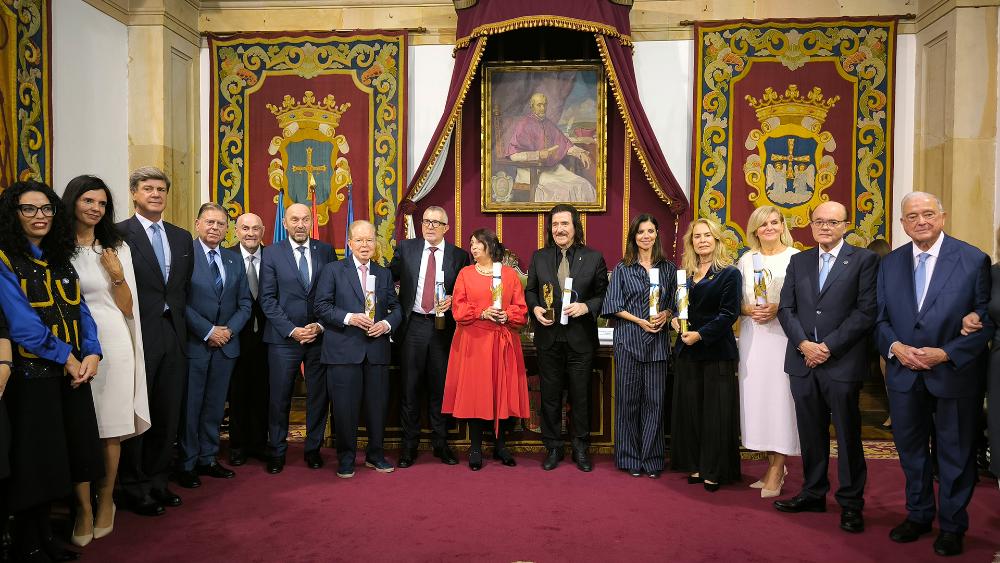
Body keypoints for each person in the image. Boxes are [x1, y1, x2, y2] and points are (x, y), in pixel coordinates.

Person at [875, 192, 993, 556]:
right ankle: (919, 514)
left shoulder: (974, 260)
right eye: (912, 216)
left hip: (954, 375)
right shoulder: (889, 264)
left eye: (928, 214)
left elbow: (987, 321)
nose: (920, 221)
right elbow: (879, 320)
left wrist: (947, 353)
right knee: (911, 452)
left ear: (943, 216)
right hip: (904, 375)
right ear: (902, 224)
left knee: (955, 454)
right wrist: (895, 348)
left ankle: (953, 525)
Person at [0, 181, 103, 562]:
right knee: (34, 462)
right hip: (32, 377)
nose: (40, 216)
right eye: (29, 209)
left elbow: (82, 310)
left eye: (46, 209)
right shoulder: (5, 259)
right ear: (14, 214)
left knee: (62, 457)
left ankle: (45, 536)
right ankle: (28, 543)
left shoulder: (59, 258)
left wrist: (92, 352)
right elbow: (22, 325)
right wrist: (68, 357)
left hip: (72, 375)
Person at [773, 201, 877, 533]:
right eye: (819, 222)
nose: (825, 227)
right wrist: (804, 344)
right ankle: (813, 493)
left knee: (847, 435)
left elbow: (865, 312)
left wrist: (828, 347)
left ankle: (850, 503)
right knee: (810, 433)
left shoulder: (864, 260)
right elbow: (785, 308)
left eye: (832, 222)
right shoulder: (799, 260)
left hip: (842, 362)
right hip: (802, 361)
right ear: (811, 225)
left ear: (846, 225)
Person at [63, 175, 150, 545]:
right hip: (70, 342)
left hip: (114, 341)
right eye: (88, 201)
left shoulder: (116, 247)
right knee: (78, 426)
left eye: (101, 203)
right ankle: (82, 507)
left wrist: (116, 276)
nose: (95, 208)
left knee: (110, 428)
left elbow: (129, 308)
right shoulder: (56, 247)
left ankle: (106, 501)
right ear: (73, 203)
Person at [116, 166, 194, 516]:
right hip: (137, 333)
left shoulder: (180, 237)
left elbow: (182, 289)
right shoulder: (118, 235)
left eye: (161, 189)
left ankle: (159, 482)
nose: (156, 194)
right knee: (138, 413)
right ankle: (133, 486)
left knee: (167, 410)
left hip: (174, 333)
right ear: (134, 193)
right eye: (148, 188)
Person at [525, 203, 608, 472]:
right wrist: (535, 307)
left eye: (565, 224)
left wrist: (586, 307)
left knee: (580, 395)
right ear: (550, 228)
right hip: (549, 338)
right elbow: (531, 291)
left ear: (575, 227)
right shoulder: (539, 257)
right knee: (549, 396)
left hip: (580, 339)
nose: (559, 229)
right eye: (555, 224)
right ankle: (553, 447)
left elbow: (602, 295)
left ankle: (581, 448)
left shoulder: (594, 258)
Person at [314, 220, 401, 478]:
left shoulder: (384, 274)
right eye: (360, 240)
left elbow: (397, 309)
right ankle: (346, 457)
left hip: (376, 351)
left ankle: (375, 455)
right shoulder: (332, 270)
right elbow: (321, 306)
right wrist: (350, 318)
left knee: (377, 407)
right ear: (349, 243)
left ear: (376, 243)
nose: (365, 245)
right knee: (344, 408)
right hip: (343, 351)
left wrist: (386, 324)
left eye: (370, 240)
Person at [174, 203, 251, 489]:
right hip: (196, 345)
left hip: (226, 346)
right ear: (197, 224)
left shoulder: (233, 260)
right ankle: (187, 463)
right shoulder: (185, 257)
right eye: (209, 222)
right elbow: (179, 300)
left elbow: (245, 303)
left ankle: (208, 457)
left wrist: (228, 330)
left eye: (220, 223)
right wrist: (208, 331)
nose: (215, 228)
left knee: (215, 407)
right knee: (191, 407)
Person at [389, 206, 470, 467]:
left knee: (440, 389)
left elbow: (464, 292)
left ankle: (440, 443)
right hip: (412, 326)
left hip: (442, 329)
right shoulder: (406, 249)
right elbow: (387, 280)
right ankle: (409, 446)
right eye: (426, 221)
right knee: (409, 388)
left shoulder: (459, 256)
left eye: (437, 222)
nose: (430, 226)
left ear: (447, 227)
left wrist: (452, 299)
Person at [442, 229, 530, 470]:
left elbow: (521, 310)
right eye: (471, 244)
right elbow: (458, 309)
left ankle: (501, 446)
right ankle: (476, 448)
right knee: (476, 395)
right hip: (474, 341)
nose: (473, 247)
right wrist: (481, 312)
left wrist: (506, 313)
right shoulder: (465, 274)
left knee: (501, 393)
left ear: (491, 246)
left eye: (478, 243)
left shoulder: (510, 275)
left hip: (503, 342)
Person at [258, 203, 336, 474]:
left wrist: (319, 325)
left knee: (318, 396)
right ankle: (277, 450)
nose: (301, 224)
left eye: (305, 219)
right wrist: (292, 329)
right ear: (285, 223)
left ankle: (312, 449)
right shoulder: (271, 253)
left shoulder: (325, 251)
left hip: (319, 337)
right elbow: (267, 299)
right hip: (283, 339)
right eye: (295, 220)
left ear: (311, 221)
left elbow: (333, 294)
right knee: (279, 398)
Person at [669, 217, 741, 492]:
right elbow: (681, 309)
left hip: (715, 351)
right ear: (691, 242)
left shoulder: (729, 273)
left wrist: (700, 335)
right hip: (687, 353)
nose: (702, 240)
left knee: (715, 414)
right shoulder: (685, 275)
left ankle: (715, 470)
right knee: (692, 413)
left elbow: (728, 314)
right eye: (697, 236)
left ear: (717, 240)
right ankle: (697, 465)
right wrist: (675, 320)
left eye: (707, 236)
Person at [601, 214, 676, 478]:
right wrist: (640, 322)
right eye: (641, 232)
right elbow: (612, 306)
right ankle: (630, 457)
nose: (646, 236)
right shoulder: (623, 268)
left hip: (657, 344)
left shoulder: (668, 268)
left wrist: (666, 314)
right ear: (634, 237)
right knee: (628, 402)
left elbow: (676, 305)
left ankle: (653, 459)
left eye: (651, 231)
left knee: (655, 403)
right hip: (629, 341)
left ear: (657, 234)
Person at [736, 205, 800, 498]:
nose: (770, 228)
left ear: (782, 225)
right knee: (758, 401)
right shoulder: (746, 261)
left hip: (782, 338)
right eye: (764, 224)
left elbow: (805, 302)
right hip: (753, 337)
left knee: (781, 402)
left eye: (775, 222)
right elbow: (735, 302)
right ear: (755, 230)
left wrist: (778, 309)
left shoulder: (796, 258)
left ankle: (778, 467)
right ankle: (773, 464)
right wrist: (747, 309)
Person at [225, 212, 269, 467]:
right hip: (235, 335)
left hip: (267, 337)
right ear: (237, 231)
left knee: (264, 392)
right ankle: (238, 445)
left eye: (255, 228)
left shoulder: (274, 257)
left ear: (263, 231)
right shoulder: (227, 257)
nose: (250, 233)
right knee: (238, 391)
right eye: (245, 228)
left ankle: (260, 444)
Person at [504, 92, 596, 203]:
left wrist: (580, 153)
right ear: (532, 106)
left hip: (552, 169)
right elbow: (513, 155)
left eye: (545, 104)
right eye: (539, 105)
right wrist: (538, 154)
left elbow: (565, 144)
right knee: (563, 190)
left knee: (584, 185)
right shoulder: (524, 124)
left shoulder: (549, 124)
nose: (543, 108)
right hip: (531, 172)